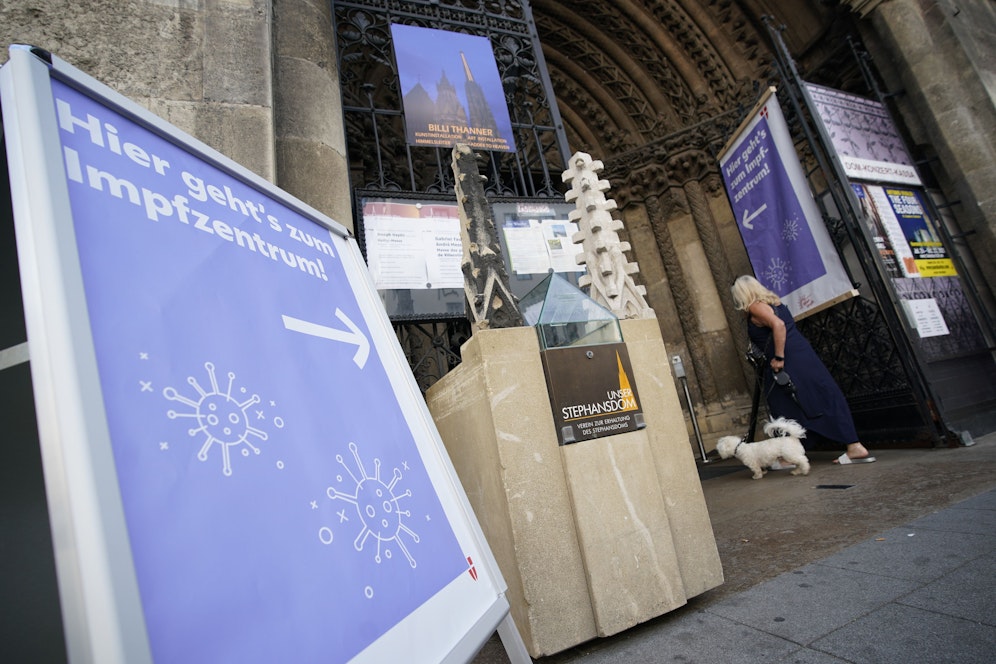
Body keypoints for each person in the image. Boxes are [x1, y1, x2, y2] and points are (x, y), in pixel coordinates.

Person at [731, 275, 875, 464]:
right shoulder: (775, 303)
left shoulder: (755, 307)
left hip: (787, 361)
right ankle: (852, 445)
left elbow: (779, 325)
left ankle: (790, 456)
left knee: (781, 404)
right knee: (820, 395)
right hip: (802, 355)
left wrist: (779, 358)